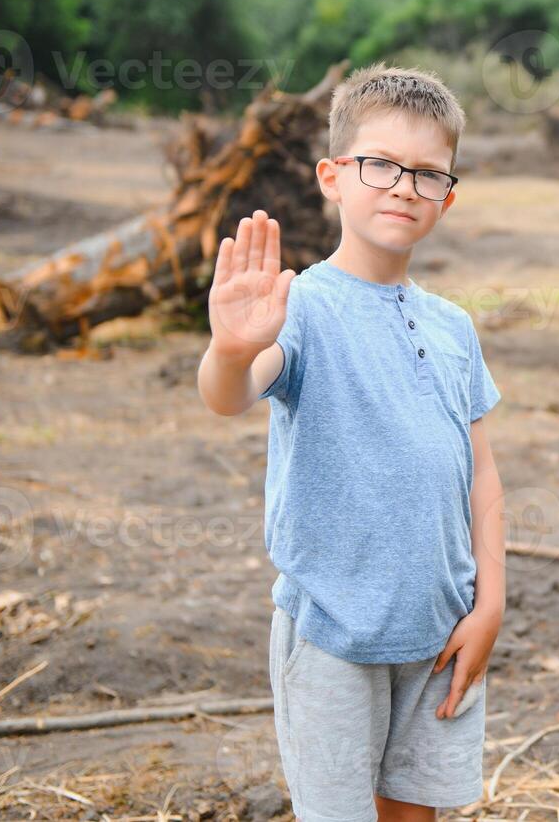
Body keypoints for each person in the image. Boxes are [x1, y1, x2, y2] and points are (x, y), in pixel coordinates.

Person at [197, 63, 505, 821]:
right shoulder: (301, 306)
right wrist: (233, 349)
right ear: (333, 176)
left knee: (413, 811)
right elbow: (229, 395)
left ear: (447, 196)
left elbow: (482, 477)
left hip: (439, 632)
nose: (403, 186)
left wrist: (489, 604)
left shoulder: (453, 327)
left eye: (427, 173)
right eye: (381, 165)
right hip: (335, 630)